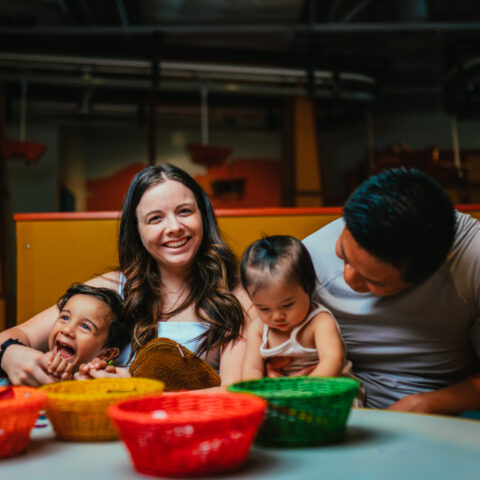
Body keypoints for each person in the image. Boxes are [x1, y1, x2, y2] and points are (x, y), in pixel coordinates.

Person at [0, 164, 252, 387]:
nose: (174, 227)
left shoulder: (234, 295)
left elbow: (234, 395)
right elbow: (12, 336)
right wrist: (11, 354)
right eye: (155, 218)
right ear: (137, 232)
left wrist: (139, 388)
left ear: (203, 218)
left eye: (185, 211)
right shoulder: (113, 287)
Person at [303, 167, 480, 415]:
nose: (348, 277)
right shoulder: (306, 256)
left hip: (443, 412)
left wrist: (429, 403)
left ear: (425, 273)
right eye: (343, 253)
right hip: (342, 405)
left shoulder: (472, 260)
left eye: (371, 281)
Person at [240, 235, 351, 381]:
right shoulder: (259, 329)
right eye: (264, 308)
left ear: (309, 289)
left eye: (287, 305)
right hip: (286, 393)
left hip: (331, 389)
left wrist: (302, 390)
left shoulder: (319, 322)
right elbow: (252, 369)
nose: (277, 316)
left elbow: (332, 360)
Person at [0, 283, 130, 385]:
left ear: (106, 354)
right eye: (65, 318)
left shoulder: (102, 384)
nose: (67, 330)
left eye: (85, 326)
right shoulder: (24, 372)